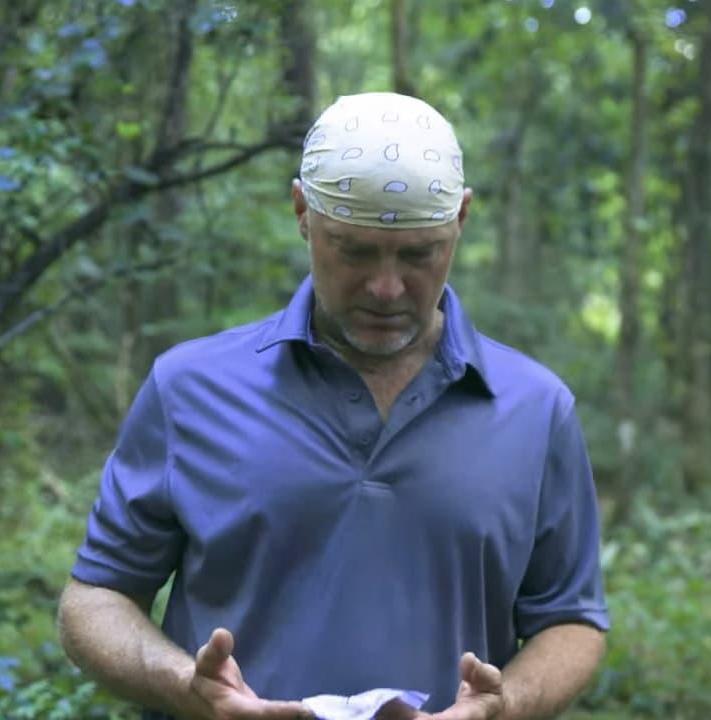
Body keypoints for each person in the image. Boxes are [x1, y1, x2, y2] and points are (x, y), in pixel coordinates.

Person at [57, 92, 610, 720]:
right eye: (354, 250)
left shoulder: (535, 409)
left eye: (418, 254)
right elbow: (95, 598)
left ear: (460, 218)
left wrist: (504, 705)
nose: (385, 287)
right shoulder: (189, 386)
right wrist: (187, 685)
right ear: (301, 212)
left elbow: (571, 621)